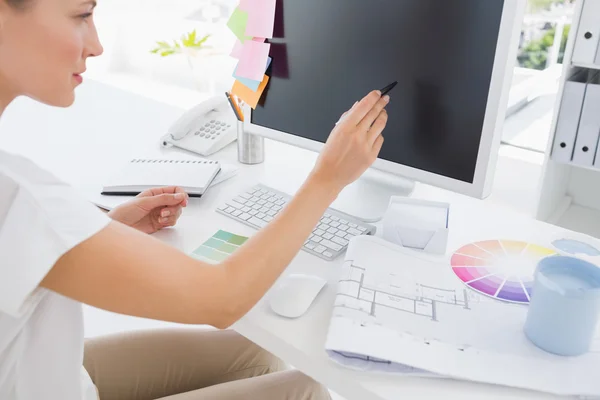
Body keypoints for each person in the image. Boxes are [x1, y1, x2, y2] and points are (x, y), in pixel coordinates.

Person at [0, 0, 389, 399]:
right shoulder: (21, 196)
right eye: (82, 15)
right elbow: (223, 300)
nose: (97, 45)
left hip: (32, 374)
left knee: (258, 350)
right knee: (303, 390)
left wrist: (102, 231)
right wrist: (328, 177)